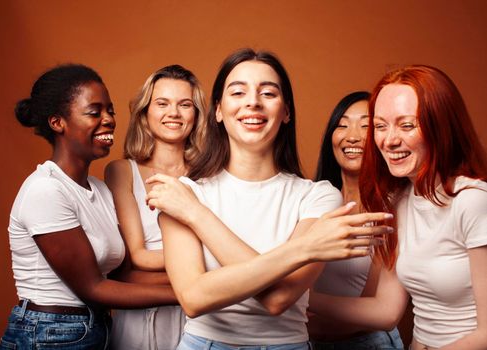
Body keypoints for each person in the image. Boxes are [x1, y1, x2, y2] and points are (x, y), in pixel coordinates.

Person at [145, 48, 393, 349]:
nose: (253, 102)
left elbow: (279, 299)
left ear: (286, 111)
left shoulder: (319, 196)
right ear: (219, 111)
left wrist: (198, 216)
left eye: (268, 93)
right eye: (238, 92)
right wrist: (306, 248)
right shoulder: (184, 194)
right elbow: (194, 298)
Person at [0, 64, 177, 350]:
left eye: (110, 111)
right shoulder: (46, 189)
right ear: (58, 123)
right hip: (47, 334)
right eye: (94, 112)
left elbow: (123, 275)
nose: (108, 120)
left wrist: (204, 279)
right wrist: (189, 295)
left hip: (94, 330)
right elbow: (93, 288)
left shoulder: (101, 191)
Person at [309, 65, 487, 350]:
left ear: (441, 127)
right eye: (380, 126)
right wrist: (297, 297)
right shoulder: (399, 201)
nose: (389, 140)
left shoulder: (473, 200)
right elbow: (386, 310)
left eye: (407, 125)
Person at [104, 64, 206, 350]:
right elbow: (137, 257)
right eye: (162, 103)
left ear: (196, 116)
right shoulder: (122, 171)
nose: (173, 113)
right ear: (145, 112)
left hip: (202, 319)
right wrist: (205, 267)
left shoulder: (212, 175)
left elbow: (147, 263)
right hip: (139, 319)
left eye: (185, 104)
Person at [309, 91, 403, 349]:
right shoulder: (314, 200)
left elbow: (378, 308)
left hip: (367, 342)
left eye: (366, 125)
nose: (352, 136)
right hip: (310, 340)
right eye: (342, 125)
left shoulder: (393, 207)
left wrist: (299, 307)